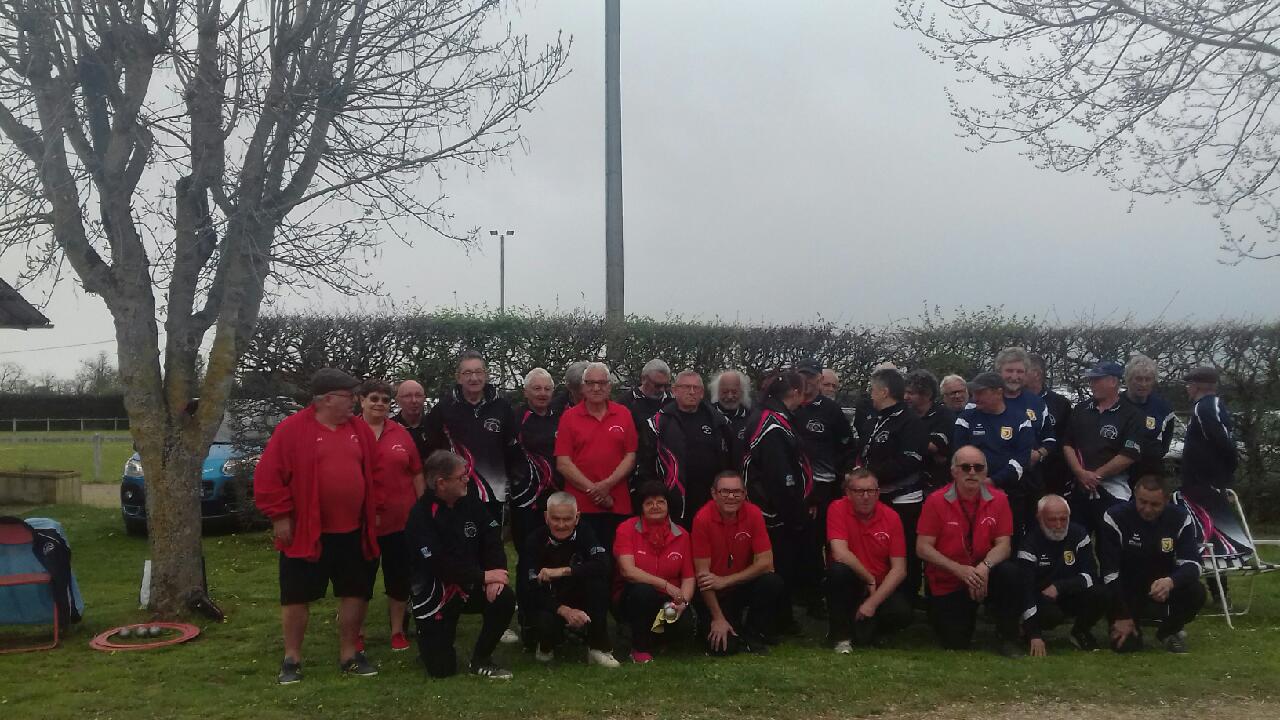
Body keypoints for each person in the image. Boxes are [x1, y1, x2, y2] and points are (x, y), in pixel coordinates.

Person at [254, 368, 380, 684]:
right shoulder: (292, 430)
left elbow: (373, 473)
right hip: (306, 532)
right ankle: (292, 659)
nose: (354, 402)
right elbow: (268, 477)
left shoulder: (359, 430)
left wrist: (374, 510)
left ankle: (350, 655)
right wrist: (280, 516)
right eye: (349, 396)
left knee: (355, 591)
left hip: (353, 531)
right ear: (326, 399)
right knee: (296, 595)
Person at [403, 451, 515, 679]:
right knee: (442, 670)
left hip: (469, 585)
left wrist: (496, 572)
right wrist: (483, 576)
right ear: (441, 483)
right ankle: (431, 639)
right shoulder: (421, 515)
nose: (467, 480)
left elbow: (491, 536)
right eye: (461, 476)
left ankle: (481, 659)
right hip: (436, 590)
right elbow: (438, 564)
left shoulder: (469, 501)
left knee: (503, 597)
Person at [916, 446, 1024, 653]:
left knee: (1010, 573)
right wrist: (959, 570)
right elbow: (922, 548)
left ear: (986, 471)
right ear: (954, 471)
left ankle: (1008, 636)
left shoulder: (1000, 499)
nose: (972, 472)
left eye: (978, 467)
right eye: (965, 467)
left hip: (985, 574)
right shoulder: (935, 500)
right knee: (955, 643)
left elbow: (1004, 545)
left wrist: (984, 568)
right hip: (949, 578)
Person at [1099, 474, 1207, 653]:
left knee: (1196, 591)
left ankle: (1169, 631)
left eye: (1155, 504)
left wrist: (1171, 581)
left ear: (1166, 500)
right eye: (1142, 502)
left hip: (1161, 586)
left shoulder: (1180, 518)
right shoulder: (1115, 517)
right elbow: (1109, 573)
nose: (1147, 509)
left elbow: (1194, 564)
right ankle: (1128, 623)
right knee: (1126, 647)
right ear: (1134, 495)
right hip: (1126, 588)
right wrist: (1122, 614)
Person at [741, 370, 813, 632]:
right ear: (794, 392)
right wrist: (793, 512)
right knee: (779, 566)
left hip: (775, 507)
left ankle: (780, 618)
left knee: (783, 565)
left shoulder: (775, 417)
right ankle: (772, 622)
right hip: (773, 511)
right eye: (803, 391)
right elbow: (780, 474)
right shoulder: (772, 424)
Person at [357, 379, 425, 653]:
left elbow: (417, 472)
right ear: (361, 400)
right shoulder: (349, 431)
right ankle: (356, 632)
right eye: (374, 398)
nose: (379, 404)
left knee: (398, 580)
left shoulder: (401, 433)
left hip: (400, 521)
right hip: (362, 522)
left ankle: (397, 631)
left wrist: (422, 510)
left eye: (385, 400)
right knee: (360, 581)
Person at [423, 351, 526, 522]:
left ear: (486, 375)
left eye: (478, 372)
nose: (474, 378)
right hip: (455, 494)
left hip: (494, 493)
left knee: (491, 538)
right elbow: (432, 452)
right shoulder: (443, 408)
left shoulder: (502, 407)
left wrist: (513, 483)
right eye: (467, 373)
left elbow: (513, 449)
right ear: (458, 378)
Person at [520, 492, 619, 668]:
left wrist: (564, 571)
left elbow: (604, 564)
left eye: (567, 519)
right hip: (547, 603)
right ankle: (545, 646)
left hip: (575, 594)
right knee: (545, 622)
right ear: (546, 517)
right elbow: (527, 590)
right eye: (555, 519)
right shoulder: (533, 540)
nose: (561, 525)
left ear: (577, 518)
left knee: (598, 583)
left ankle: (597, 646)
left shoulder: (585, 532)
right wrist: (563, 610)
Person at [691, 470, 782, 656]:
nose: (731, 497)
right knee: (723, 649)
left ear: (744, 493)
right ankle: (711, 623)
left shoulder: (754, 513)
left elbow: (766, 563)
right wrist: (718, 618)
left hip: (736, 586)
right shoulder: (702, 519)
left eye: (737, 492)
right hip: (711, 592)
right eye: (725, 491)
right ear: (714, 493)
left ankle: (753, 633)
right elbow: (703, 577)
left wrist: (726, 581)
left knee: (772, 581)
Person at [857, 367, 928, 600]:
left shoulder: (911, 422)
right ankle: (876, 591)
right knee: (878, 546)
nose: (871, 395)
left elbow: (909, 461)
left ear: (884, 392)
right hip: (875, 495)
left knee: (904, 549)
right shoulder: (874, 419)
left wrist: (869, 476)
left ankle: (906, 597)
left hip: (903, 499)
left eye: (873, 390)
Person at [555, 362, 638, 556]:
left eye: (601, 383)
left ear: (609, 386)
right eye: (590, 383)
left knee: (617, 561)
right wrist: (595, 491)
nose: (596, 388)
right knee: (583, 561)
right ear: (583, 387)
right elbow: (563, 463)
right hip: (580, 506)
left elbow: (630, 455)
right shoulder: (569, 417)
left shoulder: (624, 414)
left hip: (617, 504)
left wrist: (607, 485)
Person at [793, 358, 855, 616]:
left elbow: (847, 448)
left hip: (823, 490)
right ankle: (801, 592)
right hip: (793, 488)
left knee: (821, 542)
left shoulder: (830, 410)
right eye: (802, 376)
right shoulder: (789, 404)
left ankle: (823, 597)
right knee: (799, 543)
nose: (806, 381)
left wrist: (837, 480)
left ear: (820, 379)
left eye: (812, 377)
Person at [825, 468, 911, 652]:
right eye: (859, 491)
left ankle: (870, 627)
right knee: (837, 571)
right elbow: (840, 553)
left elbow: (899, 569)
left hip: (879, 588)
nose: (866, 497)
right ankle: (841, 637)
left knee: (902, 613)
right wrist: (868, 578)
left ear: (878, 493)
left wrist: (872, 603)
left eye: (871, 491)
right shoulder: (837, 508)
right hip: (853, 582)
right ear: (848, 493)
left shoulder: (892, 517)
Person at [638, 370, 735, 527]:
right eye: (686, 387)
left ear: (702, 393)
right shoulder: (658, 423)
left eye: (696, 388)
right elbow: (645, 464)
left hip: (712, 498)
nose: (691, 392)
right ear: (674, 390)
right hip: (674, 499)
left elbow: (731, 459)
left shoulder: (719, 422)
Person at [613, 481, 696, 663]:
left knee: (684, 624)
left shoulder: (682, 535)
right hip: (634, 596)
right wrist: (665, 585)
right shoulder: (626, 528)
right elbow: (627, 571)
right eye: (649, 503)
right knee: (644, 592)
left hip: (667, 600)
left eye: (660, 502)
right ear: (641, 507)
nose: (655, 506)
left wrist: (683, 603)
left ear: (668, 505)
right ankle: (639, 648)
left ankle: (654, 639)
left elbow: (689, 577)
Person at [1014, 494, 1107, 656]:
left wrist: (1059, 587)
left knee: (1101, 593)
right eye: (1052, 520)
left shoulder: (1079, 534)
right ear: (1040, 518)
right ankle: (1028, 631)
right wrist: (1034, 634)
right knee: (1050, 615)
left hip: (1070, 593)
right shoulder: (1029, 544)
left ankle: (1080, 631)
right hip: (1042, 599)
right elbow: (1026, 591)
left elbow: (1091, 576)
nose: (1058, 525)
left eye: (1063, 519)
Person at [952, 372, 1037, 538]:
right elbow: (959, 453)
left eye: (980, 393)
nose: (975, 398)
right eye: (974, 393)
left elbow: (1022, 459)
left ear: (998, 392)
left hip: (1011, 494)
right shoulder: (966, 418)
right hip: (972, 493)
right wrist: (976, 479)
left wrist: (994, 481)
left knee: (1009, 539)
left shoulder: (1020, 420)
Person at [1062, 361, 1142, 532]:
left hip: (1114, 490)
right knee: (1078, 537)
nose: (1092, 384)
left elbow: (1128, 454)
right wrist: (1080, 473)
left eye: (1097, 380)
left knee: (1110, 541)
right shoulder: (1081, 409)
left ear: (1113, 381)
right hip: (1080, 488)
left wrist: (1096, 476)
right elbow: (1068, 444)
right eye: (1091, 380)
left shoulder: (1131, 414)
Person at [513, 367, 562, 647]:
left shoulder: (561, 417)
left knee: (555, 558)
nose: (542, 394)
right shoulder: (516, 418)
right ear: (526, 392)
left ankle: (554, 615)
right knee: (528, 560)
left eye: (547, 389)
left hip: (556, 500)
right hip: (525, 502)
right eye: (537, 388)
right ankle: (527, 619)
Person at [995, 347, 1054, 521]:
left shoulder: (1037, 403)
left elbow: (1050, 438)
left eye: (1019, 371)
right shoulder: (986, 399)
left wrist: (1039, 453)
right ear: (999, 371)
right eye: (1009, 371)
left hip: (1029, 482)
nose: (1014, 376)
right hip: (995, 481)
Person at [1181, 366, 1238, 492]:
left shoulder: (1205, 407)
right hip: (1201, 480)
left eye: (1189, 384)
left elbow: (1222, 441)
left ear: (1196, 386)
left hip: (1207, 482)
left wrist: (1223, 475)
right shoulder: (1208, 405)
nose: (1187, 388)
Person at [1122, 355, 1176, 481]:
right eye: (1138, 379)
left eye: (1148, 379)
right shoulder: (1116, 403)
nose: (1143, 384)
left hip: (1150, 473)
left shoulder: (1163, 407)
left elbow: (1165, 443)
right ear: (1128, 379)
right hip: (1120, 473)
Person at [1026, 353, 1073, 495]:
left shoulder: (1060, 403)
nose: (1018, 376)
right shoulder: (1012, 400)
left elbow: (1067, 440)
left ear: (1037, 374)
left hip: (1052, 474)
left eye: (1023, 371)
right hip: (1022, 473)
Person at [904, 369, 954, 491]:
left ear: (927, 394)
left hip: (937, 483)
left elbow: (934, 446)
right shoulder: (903, 415)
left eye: (911, 393)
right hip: (908, 482)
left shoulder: (944, 415)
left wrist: (904, 438)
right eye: (905, 392)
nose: (905, 397)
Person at [622, 358, 673, 432]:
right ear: (643, 379)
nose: (662, 390)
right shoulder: (627, 403)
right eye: (657, 385)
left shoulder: (672, 402)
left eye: (666, 385)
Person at [392, 379, 431, 462]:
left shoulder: (434, 425)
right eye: (407, 396)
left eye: (418, 395)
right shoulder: (389, 428)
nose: (414, 401)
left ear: (424, 399)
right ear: (397, 401)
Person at [710, 369, 752, 437]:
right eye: (725, 392)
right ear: (717, 392)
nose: (730, 396)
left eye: (734, 392)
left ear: (742, 392)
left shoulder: (752, 418)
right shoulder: (708, 415)